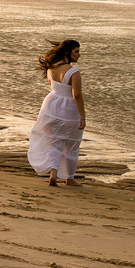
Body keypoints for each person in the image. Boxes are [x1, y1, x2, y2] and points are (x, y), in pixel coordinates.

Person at [27, 39, 86, 187]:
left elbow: (55, 89)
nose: (79, 55)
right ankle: (69, 178)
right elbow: (76, 95)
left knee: (53, 141)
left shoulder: (50, 69)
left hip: (51, 106)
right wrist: (83, 116)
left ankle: (53, 174)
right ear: (68, 52)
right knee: (71, 144)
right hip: (69, 109)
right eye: (76, 51)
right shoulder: (73, 72)